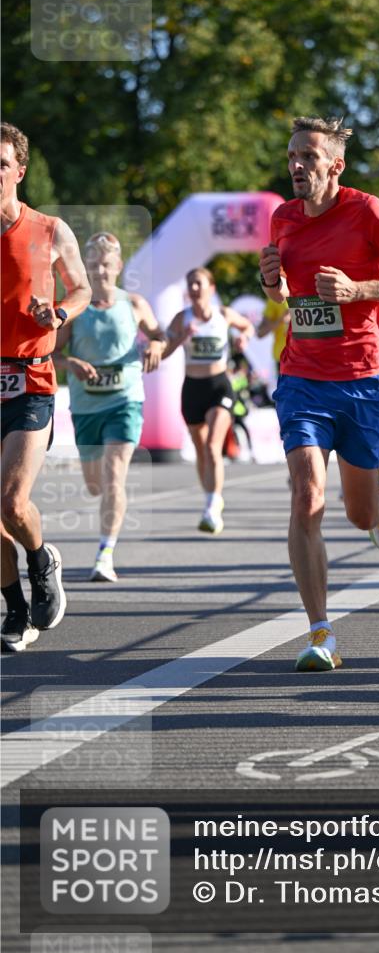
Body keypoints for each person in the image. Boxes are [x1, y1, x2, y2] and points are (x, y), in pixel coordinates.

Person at [258, 115, 379, 673]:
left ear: (335, 166)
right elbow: (287, 296)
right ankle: (320, 632)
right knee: (306, 496)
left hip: (363, 378)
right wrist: (271, 283)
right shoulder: (282, 217)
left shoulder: (367, 211)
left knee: (359, 516)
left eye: (309, 156)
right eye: (293, 155)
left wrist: (360, 288)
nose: (297, 165)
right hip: (303, 377)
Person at [1, 122, 91, 651]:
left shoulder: (50, 229)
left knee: (11, 503)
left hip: (31, 378)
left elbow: (81, 289)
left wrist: (56, 312)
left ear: (19, 171)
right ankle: (15, 611)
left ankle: (40, 559)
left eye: (0, 163)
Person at [54, 232, 168, 582]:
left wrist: (155, 347)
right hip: (87, 406)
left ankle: (105, 553)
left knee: (114, 473)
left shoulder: (133, 303)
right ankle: (107, 516)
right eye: (92, 266)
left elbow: (159, 335)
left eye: (106, 265)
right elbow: (53, 353)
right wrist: (70, 363)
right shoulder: (74, 308)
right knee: (94, 484)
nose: (100, 272)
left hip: (125, 400)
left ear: (118, 266)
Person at [162, 267, 255, 534]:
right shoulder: (182, 319)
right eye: (190, 284)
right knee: (201, 449)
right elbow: (164, 352)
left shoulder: (223, 315)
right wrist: (181, 337)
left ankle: (212, 508)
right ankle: (211, 498)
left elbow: (247, 326)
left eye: (198, 283)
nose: (193, 289)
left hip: (219, 386)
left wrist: (242, 338)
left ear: (211, 288)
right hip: (192, 388)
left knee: (214, 446)